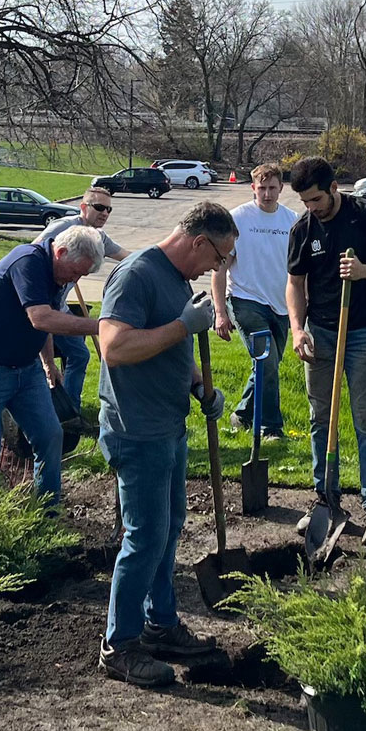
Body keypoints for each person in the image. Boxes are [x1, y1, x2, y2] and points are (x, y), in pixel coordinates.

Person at [96, 202, 238, 687]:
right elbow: (114, 348)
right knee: (144, 537)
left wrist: (201, 385)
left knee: (168, 528)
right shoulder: (136, 274)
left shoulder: (177, 279)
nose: (217, 269)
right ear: (199, 242)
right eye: (218, 258)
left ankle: (160, 625)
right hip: (136, 430)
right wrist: (184, 327)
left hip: (168, 426)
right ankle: (119, 646)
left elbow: (170, 349)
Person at [286, 156, 366, 552]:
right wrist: (297, 329)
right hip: (320, 333)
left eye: (316, 199)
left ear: (334, 187)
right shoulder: (303, 228)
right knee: (321, 418)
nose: (312, 208)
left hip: (364, 333)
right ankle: (326, 498)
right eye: (305, 201)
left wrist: (362, 271)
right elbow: (294, 283)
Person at [0, 226, 105, 507]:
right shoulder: (27, 262)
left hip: (26, 370)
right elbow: (41, 318)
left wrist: (48, 365)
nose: (75, 279)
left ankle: (46, 516)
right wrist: (101, 326)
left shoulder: (55, 275)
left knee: (50, 436)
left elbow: (40, 327)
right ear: (60, 253)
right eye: (76, 272)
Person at [208, 163, 297, 438]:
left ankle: (243, 413)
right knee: (267, 360)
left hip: (281, 305)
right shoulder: (238, 220)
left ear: (282, 188)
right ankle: (271, 427)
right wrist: (220, 312)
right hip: (245, 300)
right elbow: (220, 268)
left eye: (272, 188)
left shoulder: (292, 221)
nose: (267, 194)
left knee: (266, 365)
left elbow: (299, 271)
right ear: (253, 188)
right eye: (262, 188)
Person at [33, 185, 129, 412]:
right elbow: (34, 253)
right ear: (83, 207)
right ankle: (44, 404)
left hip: (60, 307)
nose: (104, 213)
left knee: (78, 354)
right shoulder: (63, 227)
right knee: (37, 359)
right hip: (40, 305)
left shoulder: (99, 238)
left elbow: (127, 257)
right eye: (99, 207)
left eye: (108, 209)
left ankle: (70, 409)